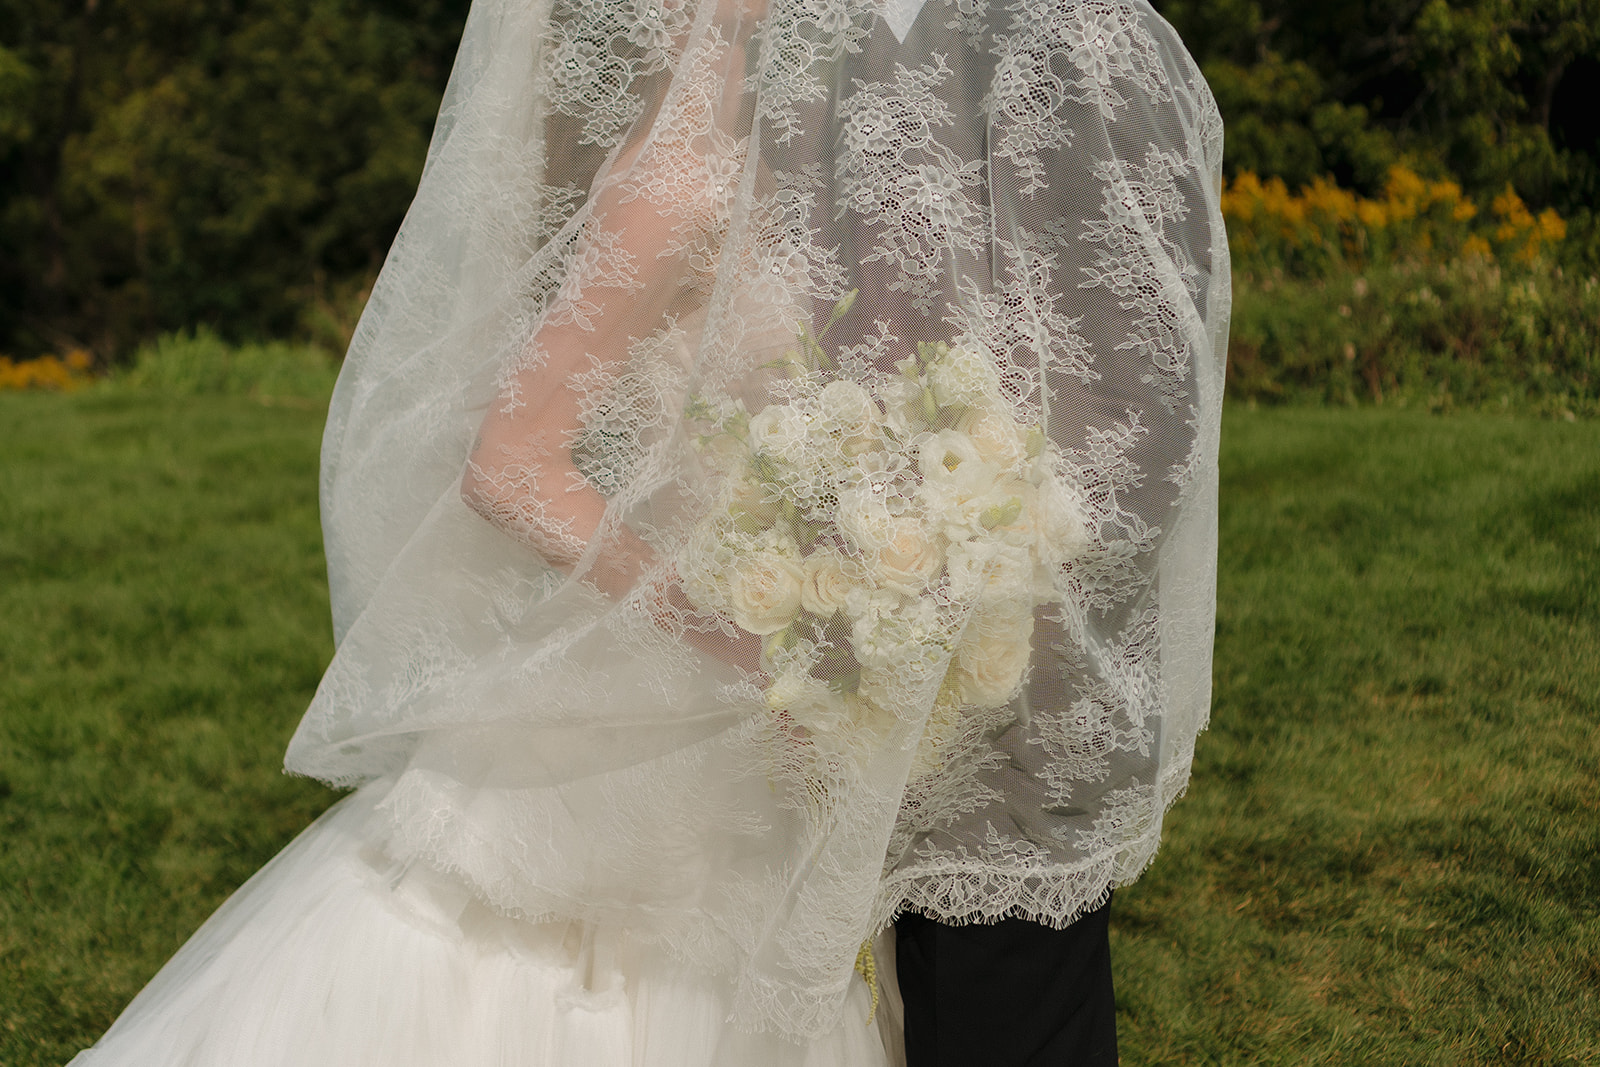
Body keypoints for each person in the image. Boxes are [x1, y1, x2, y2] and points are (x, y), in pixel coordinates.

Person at [71, 0, 1228, 1062]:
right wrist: (731, 622)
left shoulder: (787, 137)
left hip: (761, 705)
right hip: (674, 699)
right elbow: (510, 465)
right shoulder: (681, 177)